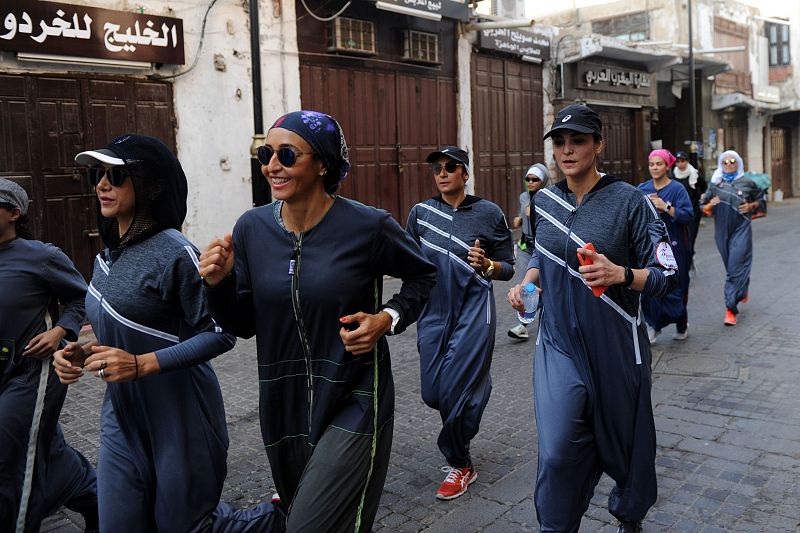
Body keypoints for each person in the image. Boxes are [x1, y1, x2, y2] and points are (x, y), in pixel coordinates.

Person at [200, 110, 437, 532]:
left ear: (322, 162)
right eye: (265, 154)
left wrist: (387, 318)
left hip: (355, 394)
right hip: (282, 403)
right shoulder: (252, 229)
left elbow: (424, 274)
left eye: (287, 154)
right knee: (310, 516)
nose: (272, 165)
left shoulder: (368, 226)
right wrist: (217, 284)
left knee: (308, 524)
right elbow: (242, 323)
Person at [52, 134, 250, 532]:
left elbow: (222, 333)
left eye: (116, 175)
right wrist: (79, 350)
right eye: (97, 174)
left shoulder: (176, 252)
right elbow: (124, 331)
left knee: (186, 526)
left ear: (151, 185)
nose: (101, 185)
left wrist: (143, 363)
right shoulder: (104, 258)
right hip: (121, 416)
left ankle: (280, 517)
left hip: (181, 417)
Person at [507, 104, 678, 533]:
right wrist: (528, 283)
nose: (567, 150)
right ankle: (558, 524)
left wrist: (620, 274)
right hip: (558, 343)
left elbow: (667, 274)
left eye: (578, 141)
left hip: (616, 346)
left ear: (598, 145)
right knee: (558, 449)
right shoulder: (540, 201)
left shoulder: (630, 202)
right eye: (560, 142)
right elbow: (537, 253)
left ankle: (629, 515)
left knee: (626, 448)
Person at [406, 146, 515, 500]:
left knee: (457, 388)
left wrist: (487, 265)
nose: (442, 173)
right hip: (433, 310)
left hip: (474, 309)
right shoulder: (420, 214)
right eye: (437, 168)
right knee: (433, 392)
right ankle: (475, 388)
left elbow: (508, 266)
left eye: (450, 167)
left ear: (465, 173)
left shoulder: (489, 213)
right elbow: (406, 262)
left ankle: (460, 463)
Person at [0, 179, 98, 533]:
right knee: (37, 445)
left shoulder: (41, 256)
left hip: (33, 373)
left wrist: (60, 331)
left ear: (15, 213)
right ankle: (95, 496)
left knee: (6, 460)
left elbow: (82, 299)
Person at [699, 149, 765, 326]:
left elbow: (761, 198)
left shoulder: (747, 182)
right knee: (732, 266)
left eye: (732, 161)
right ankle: (742, 290)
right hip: (721, 232)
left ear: (739, 164)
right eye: (725, 162)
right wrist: (709, 205)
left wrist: (751, 205)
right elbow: (702, 205)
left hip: (741, 229)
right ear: (721, 165)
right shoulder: (715, 185)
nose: (729, 165)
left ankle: (730, 309)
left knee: (734, 269)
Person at [638, 149, 694, 342]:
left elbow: (688, 215)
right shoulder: (642, 188)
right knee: (650, 285)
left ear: (667, 166)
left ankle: (681, 322)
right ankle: (654, 325)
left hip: (675, 247)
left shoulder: (677, 189)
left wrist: (666, 207)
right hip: (649, 248)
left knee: (677, 287)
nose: (654, 167)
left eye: (659, 164)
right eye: (652, 164)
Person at [508, 164, 550, 340]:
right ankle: (522, 325)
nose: (531, 182)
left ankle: (550, 320)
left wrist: (533, 212)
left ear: (543, 181)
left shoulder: (550, 197)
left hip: (544, 247)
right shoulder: (523, 197)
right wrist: (518, 221)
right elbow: (521, 216)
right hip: (526, 246)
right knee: (526, 285)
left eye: (535, 179)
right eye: (528, 179)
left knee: (547, 286)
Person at [671, 151, 707, 265]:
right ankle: (684, 259)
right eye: (678, 162)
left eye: (683, 161)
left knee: (690, 236)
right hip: (678, 211)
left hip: (693, 211)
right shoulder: (674, 175)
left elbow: (704, 186)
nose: (680, 164)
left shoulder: (694, 174)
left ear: (687, 161)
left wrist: (701, 197)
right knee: (679, 237)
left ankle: (688, 258)